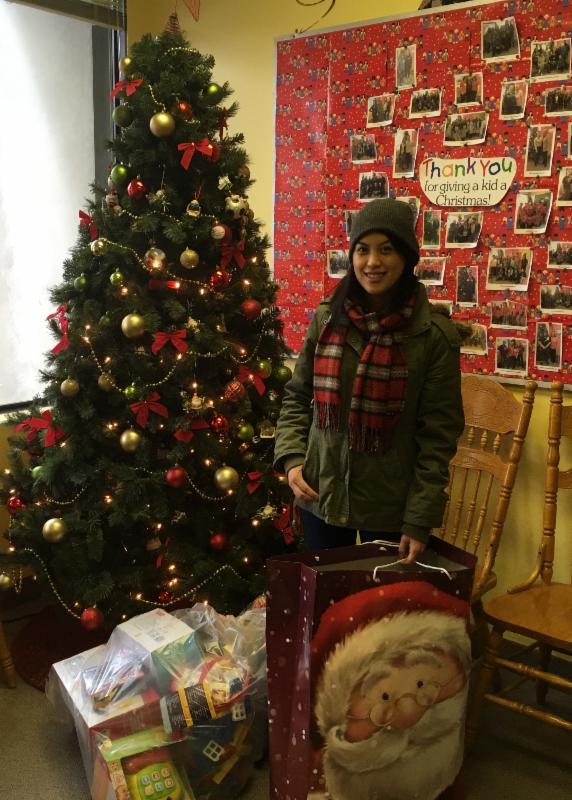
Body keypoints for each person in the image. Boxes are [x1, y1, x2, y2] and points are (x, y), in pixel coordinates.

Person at [274, 199, 465, 565]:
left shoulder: (432, 335)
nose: (372, 262)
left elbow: (438, 437)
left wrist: (420, 518)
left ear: (406, 257)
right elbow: (296, 397)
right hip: (321, 494)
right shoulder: (327, 319)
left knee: (384, 603)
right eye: (363, 250)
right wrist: (293, 459)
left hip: (392, 509)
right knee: (328, 600)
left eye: (386, 250)